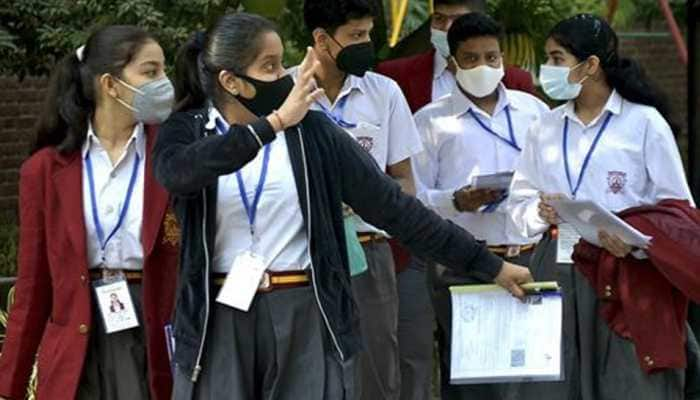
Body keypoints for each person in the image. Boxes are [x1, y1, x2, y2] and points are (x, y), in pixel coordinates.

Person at [154, 12, 533, 400]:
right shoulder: (188, 130)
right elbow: (179, 174)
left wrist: (489, 265)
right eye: (269, 67)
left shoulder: (313, 132)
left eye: (281, 61)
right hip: (219, 314)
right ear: (231, 81)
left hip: (303, 306)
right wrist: (273, 124)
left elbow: (397, 209)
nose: (284, 76)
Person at [507, 14, 698, 400]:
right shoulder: (545, 126)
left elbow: (680, 212)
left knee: (626, 381)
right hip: (557, 264)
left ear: (590, 65)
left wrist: (637, 243)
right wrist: (537, 213)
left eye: (557, 58)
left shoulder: (643, 123)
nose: (548, 69)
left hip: (626, 271)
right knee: (552, 383)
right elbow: (518, 202)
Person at [0, 25, 178, 400]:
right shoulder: (46, 170)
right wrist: (9, 387)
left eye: (164, 70)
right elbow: (32, 288)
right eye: (150, 72)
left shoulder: (176, 156)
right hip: (75, 339)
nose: (164, 83)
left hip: (153, 333)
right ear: (110, 85)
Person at [411, 13, 549, 400]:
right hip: (464, 265)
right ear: (452, 63)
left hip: (530, 258)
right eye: (471, 59)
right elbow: (414, 201)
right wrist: (455, 200)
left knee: (532, 374)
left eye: (492, 57)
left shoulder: (533, 113)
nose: (484, 67)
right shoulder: (430, 121)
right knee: (473, 379)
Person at [295, 1, 423, 399]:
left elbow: (405, 183)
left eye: (368, 34)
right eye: (356, 36)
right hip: (301, 255)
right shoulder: (286, 93)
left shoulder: (383, 92)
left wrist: (367, 199)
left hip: (368, 254)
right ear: (321, 39)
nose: (366, 44)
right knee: (306, 367)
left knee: (375, 371)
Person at [376, 0, 536, 114]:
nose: (447, 28)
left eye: (458, 20)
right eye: (439, 19)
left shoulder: (517, 82)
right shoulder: (395, 75)